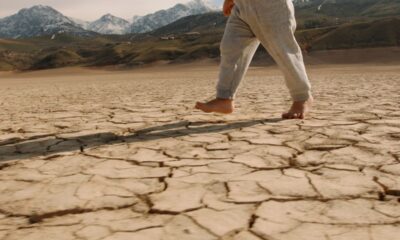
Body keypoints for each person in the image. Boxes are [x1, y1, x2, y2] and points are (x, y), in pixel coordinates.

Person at [195, 0, 314, 119]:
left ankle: (302, 97)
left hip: (272, 6)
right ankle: (225, 98)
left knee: (282, 49)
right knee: (231, 47)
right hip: (242, 7)